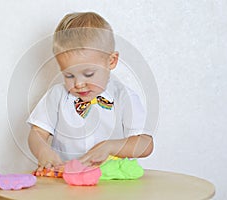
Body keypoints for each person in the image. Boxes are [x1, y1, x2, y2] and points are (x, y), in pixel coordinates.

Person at [27, 12, 153, 172]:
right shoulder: (57, 95)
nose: (79, 84)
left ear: (111, 61)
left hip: (111, 182)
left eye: (88, 74)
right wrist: (43, 151)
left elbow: (145, 143)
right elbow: (37, 133)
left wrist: (110, 147)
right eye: (69, 75)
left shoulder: (124, 96)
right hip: (65, 180)